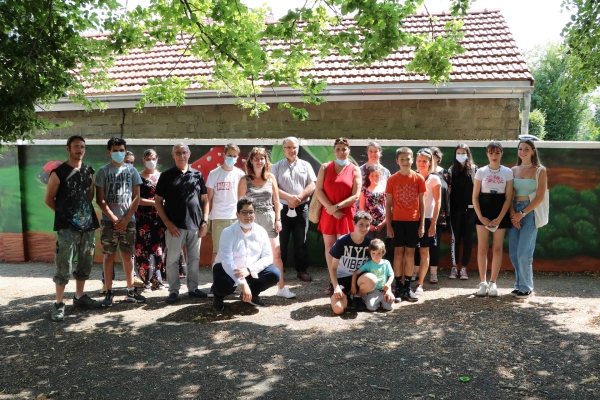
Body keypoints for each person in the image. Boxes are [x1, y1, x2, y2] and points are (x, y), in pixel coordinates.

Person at [44, 135, 101, 321]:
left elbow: (89, 197)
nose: (80, 150)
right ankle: (59, 303)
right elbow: (49, 200)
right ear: (68, 149)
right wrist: (65, 217)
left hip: (88, 226)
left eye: (82, 146)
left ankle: (79, 297)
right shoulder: (58, 173)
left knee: (86, 262)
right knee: (64, 264)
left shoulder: (88, 171)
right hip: (67, 227)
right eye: (76, 146)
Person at [155, 142, 209, 303]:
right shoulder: (166, 176)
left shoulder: (197, 175)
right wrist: (168, 223)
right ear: (173, 156)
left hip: (195, 225)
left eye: (184, 152)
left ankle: (193, 288)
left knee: (194, 259)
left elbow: (205, 200)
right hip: (174, 227)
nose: (181, 156)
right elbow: (158, 202)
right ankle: (173, 291)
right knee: (172, 260)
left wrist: (204, 222)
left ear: (189, 154)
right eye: (177, 153)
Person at [238, 147, 295, 299]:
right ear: (251, 161)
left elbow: (276, 200)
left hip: (269, 219)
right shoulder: (244, 180)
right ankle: (249, 289)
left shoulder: (271, 178)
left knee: (276, 253)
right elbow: (240, 204)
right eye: (256, 158)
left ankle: (281, 288)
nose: (259, 161)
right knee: (251, 256)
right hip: (252, 221)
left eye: (262, 158)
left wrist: (278, 219)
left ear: (266, 161)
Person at [95, 137, 145, 306]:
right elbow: (100, 200)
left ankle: (131, 291)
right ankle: (108, 291)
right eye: (115, 150)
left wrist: (126, 218)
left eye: (121, 150)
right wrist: (115, 218)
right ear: (109, 152)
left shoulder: (132, 171)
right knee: (108, 256)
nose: (119, 153)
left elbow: (136, 197)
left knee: (127, 256)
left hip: (128, 221)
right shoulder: (103, 171)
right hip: (109, 222)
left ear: (126, 151)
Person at [211, 197, 281, 311]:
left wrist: (249, 270)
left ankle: (251, 295)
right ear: (237, 214)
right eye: (244, 212)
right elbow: (226, 261)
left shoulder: (261, 231)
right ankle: (218, 297)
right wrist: (243, 284)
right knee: (223, 284)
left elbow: (268, 257)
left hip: (249, 270)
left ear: (255, 213)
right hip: (228, 269)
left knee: (274, 274)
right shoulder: (228, 232)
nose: (248, 216)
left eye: (250, 212)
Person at [315, 137, 362, 279]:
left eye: (344, 149)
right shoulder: (325, 167)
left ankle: (344, 279)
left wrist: (336, 207)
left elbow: (355, 196)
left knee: (345, 248)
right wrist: (330, 208)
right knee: (329, 247)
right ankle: (333, 279)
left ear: (349, 150)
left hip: (345, 214)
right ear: (334, 151)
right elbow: (318, 190)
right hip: (328, 212)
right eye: (338, 149)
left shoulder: (355, 169)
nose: (341, 152)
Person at [271, 137, 317, 282]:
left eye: (295, 147)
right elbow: (273, 187)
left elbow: (312, 184)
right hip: (282, 209)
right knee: (281, 241)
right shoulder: (277, 167)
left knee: (300, 241)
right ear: (283, 149)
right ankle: (279, 271)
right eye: (289, 147)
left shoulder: (306, 165)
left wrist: (299, 198)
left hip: (301, 208)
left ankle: (301, 270)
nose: (292, 150)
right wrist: (290, 198)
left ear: (298, 149)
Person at [473, 141, 514, 297]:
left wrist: (499, 218)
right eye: (491, 153)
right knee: (482, 248)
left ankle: (493, 283)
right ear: (487, 154)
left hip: (500, 213)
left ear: (501, 153)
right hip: (483, 212)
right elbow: (475, 197)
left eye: (497, 153)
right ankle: (482, 283)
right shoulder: (481, 172)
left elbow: (508, 198)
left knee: (497, 248)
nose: (494, 156)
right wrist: (481, 217)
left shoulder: (508, 172)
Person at [385, 147, 425, 303]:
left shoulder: (419, 179)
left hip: (413, 222)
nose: (405, 162)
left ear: (412, 160)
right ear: (397, 161)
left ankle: (407, 286)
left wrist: (421, 225)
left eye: (408, 159)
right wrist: (389, 225)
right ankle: (398, 287)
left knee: (410, 254)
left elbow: (422, 204)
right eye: (402, 159)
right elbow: (388, 205)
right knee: (398, 254)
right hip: (397, 221)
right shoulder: (392, 180)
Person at [509, 139, 547, 299]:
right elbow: (509, 195)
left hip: (530, 212)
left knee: (524, 253)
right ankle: (519, 285)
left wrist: (522, 214)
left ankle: (526, 287)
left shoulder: (540, 170)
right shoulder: (512, 170)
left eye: (526, 149)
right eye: (520, 149)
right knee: (513, 253)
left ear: (533, 151)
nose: (522, 152)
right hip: (514, 212)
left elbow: (540, 197)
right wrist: (513, 214)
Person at [206, 143, 245, 264]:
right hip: (218, 218)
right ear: (224, 155)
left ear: (237, 157)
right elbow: (208, 199)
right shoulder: (214, 174)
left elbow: (242, 198)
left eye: (234, 156)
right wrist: (206, 218)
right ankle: (217, 279)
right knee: (217, 251)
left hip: (235, 218)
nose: (232, 158)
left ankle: (233, 280)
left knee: (235, 252)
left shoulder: (240, 174)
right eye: (229, 155)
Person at [328, 211, 372, 315]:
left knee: (371, 279)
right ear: (354, 223)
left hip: (359, 279)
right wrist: (336, 287)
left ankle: (358, 297)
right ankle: (346, 296)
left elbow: (377, 265)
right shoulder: (342, 241)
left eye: (367, 225)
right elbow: (333, 268)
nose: (364, 228)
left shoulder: (370, 243)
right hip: (342, 279)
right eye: (361, 224)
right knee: (338, 309)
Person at [135, 149, 167, 291]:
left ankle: (158, 281)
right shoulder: (138, 177)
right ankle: (145, 281)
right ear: (143, 160)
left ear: (157, 159)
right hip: (143, 219)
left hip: (159, 218)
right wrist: (155, 203)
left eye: (153, 158)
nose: (151, 161)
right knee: (144, 250)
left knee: (158, 249)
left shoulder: (162, 177)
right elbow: (136, 199)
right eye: (148, 158)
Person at [412, 148, 441, 295]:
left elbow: (438, 202)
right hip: (411, 219)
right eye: (419, 161)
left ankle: (420, 284)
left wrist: (433, 223)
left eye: (424, 161)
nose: (422, 163)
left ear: (430, 162)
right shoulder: (412, 176)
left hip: (428, 219)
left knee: (424, 251)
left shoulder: (435, 178)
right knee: (409, 251)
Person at [448, 144, 477, 280]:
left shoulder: (474, 170)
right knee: (455, 239)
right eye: (458, 153)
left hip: (470, 211)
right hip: (455, 210)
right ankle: (454, 267)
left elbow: (477, 190)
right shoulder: (451, 170)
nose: (460, 155)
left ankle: (464, 268)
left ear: (468, 154)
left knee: (468, 239)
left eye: (463, 152)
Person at [351, 239, 394, 311]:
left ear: (383, 252)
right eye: (373, 253)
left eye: (378, 253)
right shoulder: (369, 264)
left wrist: (388, 285)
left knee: (390, 307)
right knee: (371, 308)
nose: (376, 256)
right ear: (370, 253)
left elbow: (391, 275)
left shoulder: (386, 263)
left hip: (384, 290)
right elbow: (356, 273)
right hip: (374, 291)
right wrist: (353, 286)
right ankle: (367, 298)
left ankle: (381, 302)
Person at [427, 146, 450, 284]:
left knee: (435, 244)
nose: (430, 159)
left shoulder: (445, 174)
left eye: (433, 156)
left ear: (438, 158)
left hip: (439, 215)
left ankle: (433, 273)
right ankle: (417, 272)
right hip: (423, 215)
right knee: (420, 245)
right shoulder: (420, 172)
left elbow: (448, 194)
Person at [359, 163, 387, 240]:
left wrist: (383, 223)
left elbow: (388, 207)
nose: (374, 178)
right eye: (372, 175)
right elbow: (361, 208)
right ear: (368, 176)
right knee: (368, 246)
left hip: (381, 225)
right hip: (367, 224)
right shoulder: (364, 190)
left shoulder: (385, 190)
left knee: (380, 246)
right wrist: (368, 224)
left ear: (380, 176)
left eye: (377, 175)